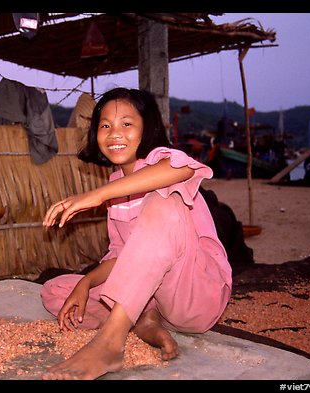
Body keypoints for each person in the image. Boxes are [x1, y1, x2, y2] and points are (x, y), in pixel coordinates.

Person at [40, 87, 232, 380]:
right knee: (58, 291)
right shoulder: (116, 185)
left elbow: (183, 169)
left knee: (164, 201)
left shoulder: (161, 162)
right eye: (106, 125)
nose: (115, 133)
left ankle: (109, 343)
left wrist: (94, 196)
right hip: (153, 296)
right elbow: (125, 257)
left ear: (148, 128)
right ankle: (144, 320)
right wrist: (86, 282)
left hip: (193, 295)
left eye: (126, 124)